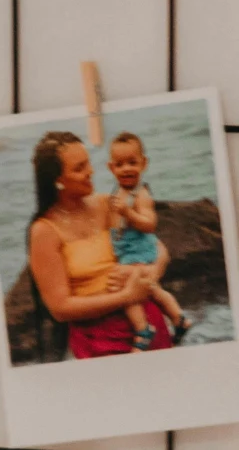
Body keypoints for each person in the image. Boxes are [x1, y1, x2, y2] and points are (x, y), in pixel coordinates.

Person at [26, 129, 170, 360]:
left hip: (148, 327)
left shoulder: (106, 204)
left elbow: (158, 248)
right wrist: (126, 297)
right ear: (58, 180)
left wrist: (150, 274)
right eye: (79, 168)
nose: (91, 171)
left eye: (88, 164)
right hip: (99, 341)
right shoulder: (44, 230)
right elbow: (60, 309)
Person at [106, 129, 189, 349]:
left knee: (127, 291)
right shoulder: (116, 192)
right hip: (128, 250)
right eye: (120, 164)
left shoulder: (141, 195)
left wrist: (128, 213)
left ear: (144, 163)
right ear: (111, 167)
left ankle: (142, 328)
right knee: (153, 289)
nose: (126, 169)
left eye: (132, 162)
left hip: (139, 252)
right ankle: (179, 318)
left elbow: (150, 224)